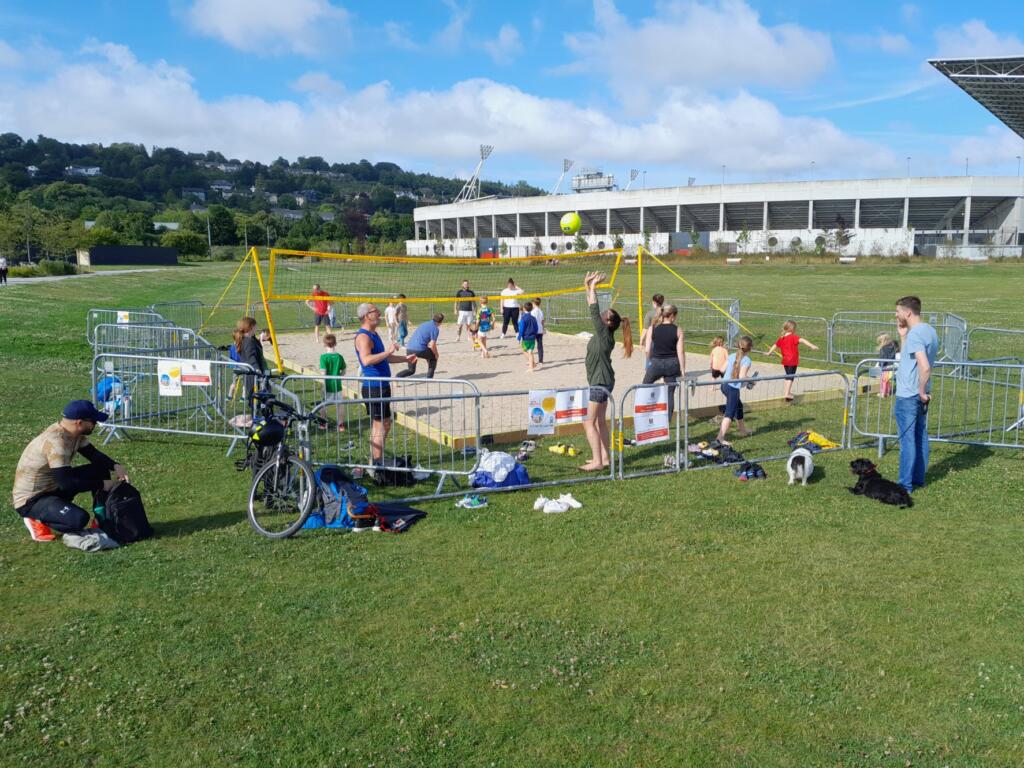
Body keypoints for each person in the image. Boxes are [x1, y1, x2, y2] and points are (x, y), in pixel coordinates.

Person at [13, 400, 129, 542]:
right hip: (32, 500)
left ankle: (101, 518)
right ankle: (36, 519)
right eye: (93, 421)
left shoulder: (73, 434)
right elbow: (67, 483)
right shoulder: (57, 442)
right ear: (79, 423)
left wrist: (116, 465)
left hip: (54, 487)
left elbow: (93, 455)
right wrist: (102, 484)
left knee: (100, 468)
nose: (95, 424)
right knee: (78, 520)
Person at [581, 271, 633, 472]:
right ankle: (604, 457)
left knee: (588, 422)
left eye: (607, 313)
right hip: (603, 380)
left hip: (600, 382)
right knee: (600, 421)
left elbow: (593, 308)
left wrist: (593, 287)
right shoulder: (604, 332)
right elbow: (592, 306)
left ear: (608, 322)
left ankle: (597, 461)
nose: (603, 313)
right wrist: (587, 285)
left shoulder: (603, 332)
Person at [353, 303, 416, 465]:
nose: (379, 313)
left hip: (382, 385)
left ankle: (376, 458)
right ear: (367, 315)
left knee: (385, 424)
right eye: (376, 311)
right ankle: (376, 462)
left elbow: (384, 358)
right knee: (379, 425)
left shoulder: (374, 334)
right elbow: (366, 360)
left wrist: (404, 359)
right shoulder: (363, 337)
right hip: (374, 386)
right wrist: (388, 351)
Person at [894, 295, 938, 494]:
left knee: (907, 440)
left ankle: (905, 484)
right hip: (919, 394)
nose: (896, 315)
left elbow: (924, 366)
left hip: (910, 395)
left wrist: (920, 390)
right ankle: (918, 478)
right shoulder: (929, 331)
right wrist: (902, 336)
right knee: (920, 436)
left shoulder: (916, 335)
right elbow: (908, 360)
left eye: (898, 311)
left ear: (908, 312)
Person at [642, 304, 686, 421]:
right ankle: (666, 421)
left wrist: (650, 361)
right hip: (672, 364)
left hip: (656, 362)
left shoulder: (653, 328)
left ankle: (643, 414)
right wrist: (682, 370)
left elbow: (647, 349)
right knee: (670, 393)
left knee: (644, 386)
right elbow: (680, 352)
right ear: (672, 316)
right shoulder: (678, 330)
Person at [766, 320, 820, 403]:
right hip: (792, 360)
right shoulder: (793, 337)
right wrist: (812, 346)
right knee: (790, 377)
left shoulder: (782, 338)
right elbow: (802, 340)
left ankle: (787, 392)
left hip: (785, 361)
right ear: (792, 329)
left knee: (788, 376)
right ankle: (787, 393)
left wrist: (769, 352)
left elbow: (775, 345)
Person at [717, 336, 754, 443]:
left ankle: (743, 430)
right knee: (729, 413)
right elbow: (742, 376)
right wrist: (753, 380)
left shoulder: (732, 355)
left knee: (739, 406)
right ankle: (720, 438)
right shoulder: (747, 360)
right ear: (750, 348)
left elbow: (722, 369)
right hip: (732, 388)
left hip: (724, 385)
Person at [234, 316, 270, 403]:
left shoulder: (250, 339)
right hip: (254, 374)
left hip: (257, 371)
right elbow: (251, 357)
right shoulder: (247, 341)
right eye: (255, 326)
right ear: (251, 327)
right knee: (258, 400)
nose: (257, 328)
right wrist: (257, 369)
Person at [398, 314, 443, 379]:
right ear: (440, 322)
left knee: (411, 370)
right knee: (433, 358)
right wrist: (436, 354)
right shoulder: (435, 329)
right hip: (419, 349)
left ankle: (397, 377)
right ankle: (429, 378)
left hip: (409, 347)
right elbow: (432, 345)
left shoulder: (424, 324)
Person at [319, 333, 347, 431]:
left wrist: (323, 385)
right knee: (340, 404)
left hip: (328, 384)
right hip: (337, 384)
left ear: (324, 344)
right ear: (335, 343)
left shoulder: (323, 357)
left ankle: (323, 423)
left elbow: (324, 374)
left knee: (323, 404)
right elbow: (344, 370)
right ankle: (341, 425)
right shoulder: (339, 357)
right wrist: (339, 377)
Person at [640, 294, 666, 366]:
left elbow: (645, 329)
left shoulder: (650, 314)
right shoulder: (666, 313)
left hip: (653, 339)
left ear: (654, 302)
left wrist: (641, 340)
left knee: (650, 356)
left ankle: (650, 369)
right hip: (665, 338)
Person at [517, 301, 540, 372]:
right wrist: (535, 335)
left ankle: (531, 366)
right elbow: (536, 328)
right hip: (532, 337)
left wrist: (519, 337)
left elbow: (521, 329)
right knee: (530, 352)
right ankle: (533, 365)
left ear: (524, 309)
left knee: (525, 351)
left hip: (526, 337)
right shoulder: (533, 318)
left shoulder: (523, 318)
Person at [876, 332, 899, 398]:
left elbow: (883, 358)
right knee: (887, 380)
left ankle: (883, 393)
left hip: (885, 366)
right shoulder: (892, 346)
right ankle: (888, 392)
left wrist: (880, 365)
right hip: (891, 365)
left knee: (884, 380)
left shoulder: (883, 348)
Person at [454, 280, 476, 344]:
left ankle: (469, 336)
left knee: (469, 325)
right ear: (462, 285)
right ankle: (458, 336)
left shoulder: (471, 293)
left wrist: (475, 310)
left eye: (467, 284)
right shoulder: (459, 292)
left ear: (468, 285)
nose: (466, 285)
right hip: (462, 311)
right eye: (465, 284)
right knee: (460, 325)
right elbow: (456, 301)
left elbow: (474, 302)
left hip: (469, 311)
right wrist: (455, 309)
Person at [531, 298, 546, 364]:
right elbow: (542, 321)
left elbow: (532, 321)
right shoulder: (541, 311)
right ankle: (541, 361)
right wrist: (543, 329)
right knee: (540, 345)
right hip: (540, 330)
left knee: (531, 346)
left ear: (533, 303)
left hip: (534, 330)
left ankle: (531, 361)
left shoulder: (533, 311)